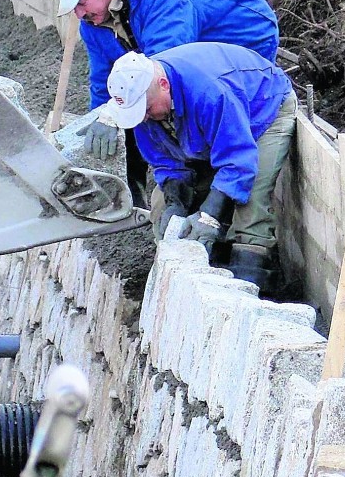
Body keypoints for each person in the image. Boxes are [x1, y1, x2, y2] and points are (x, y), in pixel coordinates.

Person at [52, 0, 280, 169]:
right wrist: (101, 117)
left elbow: (166, 64)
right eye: (74, 8)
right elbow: (104, 81)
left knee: (191, 105)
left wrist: (113, 113)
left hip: (243, 35)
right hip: (189, 46)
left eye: (81, 3)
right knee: (142, 107)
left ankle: (218, 175)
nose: (79, 14)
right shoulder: (93, 22)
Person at [104, 44, 298, 295]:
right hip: (211, 128)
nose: (143, 118)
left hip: (263, 111)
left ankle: (252, 281)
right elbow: (166, 162)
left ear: (163, 84)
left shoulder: (209, 92)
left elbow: (237, 160)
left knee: (251, 200)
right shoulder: (142, 107)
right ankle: (194, 275)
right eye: (137, 114)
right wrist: (176, 200)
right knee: (161, 205)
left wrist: (209, 216)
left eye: (147, 110)